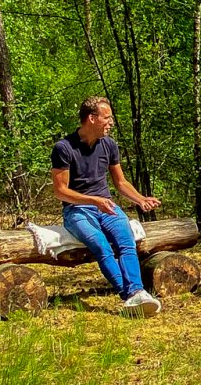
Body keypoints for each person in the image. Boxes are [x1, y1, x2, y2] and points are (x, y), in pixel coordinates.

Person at [51, 97, 163, 315]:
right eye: (107, 117)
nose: (111, 122)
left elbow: (120, 182)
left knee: (126, 242)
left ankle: (136, 293)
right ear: (92, 119)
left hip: (107, 206)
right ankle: (132, 295)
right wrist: (93, 200)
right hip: (77, 210)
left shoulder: (109, 145)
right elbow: (60, 191)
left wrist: (140, 199)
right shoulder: (64, 148)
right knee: (101, 246)